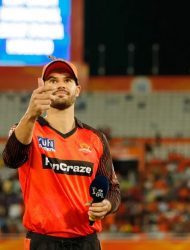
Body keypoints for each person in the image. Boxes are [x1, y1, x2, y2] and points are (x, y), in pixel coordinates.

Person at [2, 57, 121, 250]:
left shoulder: (96, 138)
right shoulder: (26, 128)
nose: (60, 85)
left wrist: (106, 205)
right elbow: (11, 159)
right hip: (42, 242)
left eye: (67, 80)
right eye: (53, 80)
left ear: (78, 90)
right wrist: (31, 114)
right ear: (43, 87)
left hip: (87, 242)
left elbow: (113, 189)